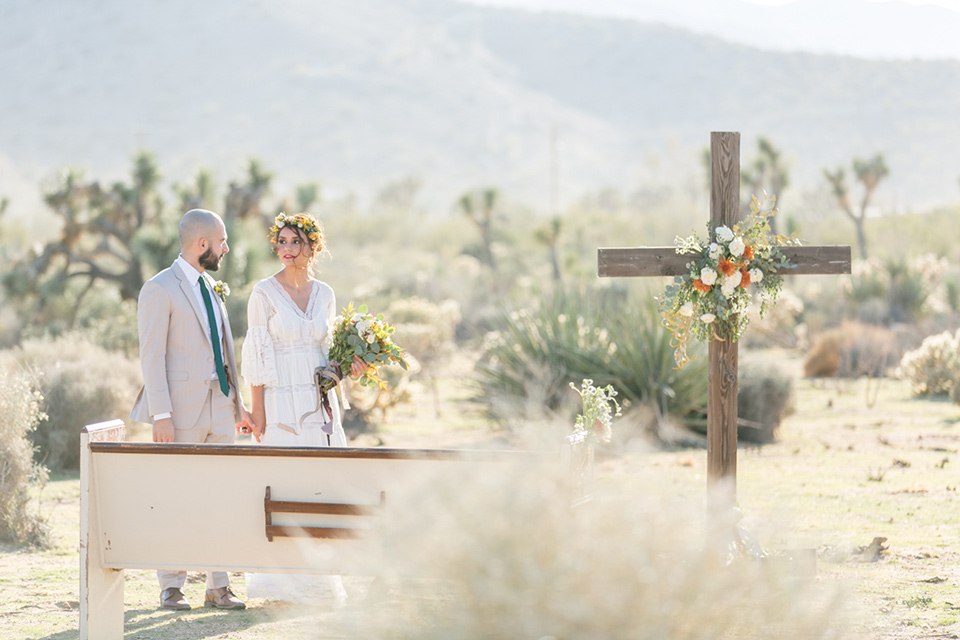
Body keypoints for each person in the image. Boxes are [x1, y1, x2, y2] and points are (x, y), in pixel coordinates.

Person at [130, 208, 254, 611]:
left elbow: (223, 351)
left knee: (220, 496)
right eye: (222, 241)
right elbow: (152, 355)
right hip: (179, 413)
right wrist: (160, 414)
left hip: (220, 409)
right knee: (176, 496)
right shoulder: (158, 288)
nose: (226, 248)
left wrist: (238, 405)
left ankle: (219, 586)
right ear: (203, 244)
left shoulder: (210, 287)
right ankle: (171, 586)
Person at [241, 212, 364, 605]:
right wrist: (258, 410)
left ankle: (321, 579)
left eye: (295, 242)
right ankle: (278, 585)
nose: (287, 250)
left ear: (313, 247)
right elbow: (258, 355)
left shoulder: (325, 294)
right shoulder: (262, 293)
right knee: (283, 483)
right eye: (282, 242)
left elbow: (329, 352)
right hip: (279, 401)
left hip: (318, 402)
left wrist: (349, 366)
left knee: (321, 482)